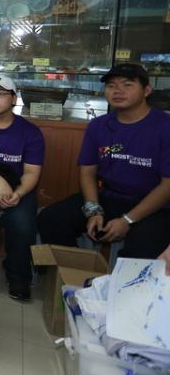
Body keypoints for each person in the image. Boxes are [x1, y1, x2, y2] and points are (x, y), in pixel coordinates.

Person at [37, 64, 170, 259]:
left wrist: (127, 220)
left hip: (155, 206)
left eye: (127, 84)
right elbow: (87, 171)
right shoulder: (99, 126)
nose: (118, 91)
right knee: (51, 219)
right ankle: (77, 279)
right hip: (110, 198)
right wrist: (93, 210)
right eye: (111, 86)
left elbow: (167, 186)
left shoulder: (164, 127)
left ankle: (125, 288)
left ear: (147, 90)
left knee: (141, 246)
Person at [0, 76, 45, 301]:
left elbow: (32, 173)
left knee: (22, 224)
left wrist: (17, 194)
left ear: (14, 99)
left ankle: (18, 276)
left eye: (0, 94)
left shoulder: (30, 132)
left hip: (17, 188)